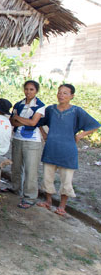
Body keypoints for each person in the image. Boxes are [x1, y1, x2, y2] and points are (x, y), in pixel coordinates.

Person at [37, 84, 100, 216]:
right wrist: (43, 133)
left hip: (68, 150)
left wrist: (80, 135)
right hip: (51, 148)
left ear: (72, 96)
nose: (61, 95)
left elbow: (95, 125)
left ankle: (62, 206)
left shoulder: (77, 111)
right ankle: (48, 201)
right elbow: (39, 122)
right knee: (47, 177)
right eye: (59, 92)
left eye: (65, 93)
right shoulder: (51, 109)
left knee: (66, 180)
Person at [9, 80, 45, 208]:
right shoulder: (18, 104)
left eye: (32, 89)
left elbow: (33, 123)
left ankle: (29, 197)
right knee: (16, 167)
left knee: (31, 171)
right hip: (18, 139)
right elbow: (12, 122)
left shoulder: (40, 106)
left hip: (33, 142)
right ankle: (15, 188)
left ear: (36, 91)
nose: (28, 92)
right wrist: (25, 121)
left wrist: (19, 118)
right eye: (26, 89)